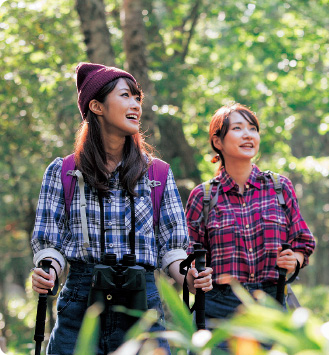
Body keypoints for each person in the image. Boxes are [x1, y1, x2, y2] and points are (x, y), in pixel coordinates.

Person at [30, 62, 213, 355]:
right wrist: (47, 270)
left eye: (137, 98)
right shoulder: (62, 171)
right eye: (125, 96)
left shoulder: (158, 174)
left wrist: (188, 275)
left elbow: (173, 248)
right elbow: (50, 244)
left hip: (142, 305)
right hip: (81, 302)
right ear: (96, 106)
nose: (136, 105)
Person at [185, 103, 316, 324]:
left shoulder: (280, 187)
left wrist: (294, 259)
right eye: (237, 128)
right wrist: (194, 277)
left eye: (253, 128)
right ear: (218, 142)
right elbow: (189, 258)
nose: (248, 135)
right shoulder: (203, 196)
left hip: (271, 306)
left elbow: (302, 242)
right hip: (219, 312)